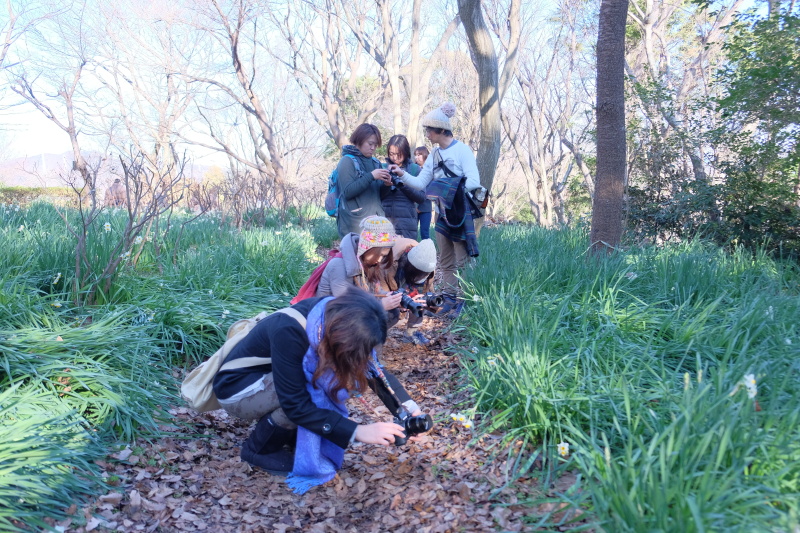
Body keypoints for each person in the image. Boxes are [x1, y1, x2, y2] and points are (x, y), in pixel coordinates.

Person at [212, 288, 425, 489]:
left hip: (269, 380)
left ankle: (287, 436)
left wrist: (406, 408)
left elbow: (371, 366)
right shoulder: (289, 330)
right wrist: (357, 432)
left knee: (327, 381)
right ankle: (258, 450)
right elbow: (295, 404)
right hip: (238, 389)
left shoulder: (334, 316)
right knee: (313, 390)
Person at [401, 103, 482, 319]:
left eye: (429, 129)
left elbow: (474, 181)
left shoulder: (462, 150)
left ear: (440, 130)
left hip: (460, 212)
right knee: (445, 259)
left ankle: (464, 301)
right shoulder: (435, 154)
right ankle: (448, 299)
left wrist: (448, 189)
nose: (427, 134)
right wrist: (399, 174)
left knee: (462, 260)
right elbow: (420, 183)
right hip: (442, 214)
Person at [316, 216, 403, 312]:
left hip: (350, 313)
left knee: (392, 312)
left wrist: (394, 299)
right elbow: (344, 307)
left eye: (384, 256)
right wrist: (381, 305)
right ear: (367, 248)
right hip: (330, 315)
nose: (380, 260)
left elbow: (374, 292)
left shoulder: (367, 262)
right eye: (379, 255)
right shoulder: (339, 266)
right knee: (383, 313)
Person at [335, 123, 393, 238]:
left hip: (377, 222)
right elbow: (347, 192)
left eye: (376, 145)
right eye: (370, 144)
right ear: (359, 140)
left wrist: (387, 185)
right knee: (355, 256)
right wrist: (371, 176)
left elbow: (378, 196)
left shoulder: (376, 163)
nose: (373, 148)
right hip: (355, 225)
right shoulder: (347, 161)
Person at [383, 237, 437, 345]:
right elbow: (382, 291)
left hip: (411, 269)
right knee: (389, 307)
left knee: (420, 299)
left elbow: (427, 293)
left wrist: (430, 304)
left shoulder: (429, 265)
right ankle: (377, 333)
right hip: (398, 270)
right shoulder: (390, 261)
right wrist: (397, 302)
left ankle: (412, 333)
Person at [380, 135, 426, 239]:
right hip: (384, 221)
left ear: (406, 152)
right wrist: (386, 185)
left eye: (398, 154)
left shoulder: (415, 169)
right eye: (391, 154)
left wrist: (403, 183)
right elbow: (375, 195)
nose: (395, 158)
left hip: (407, 224)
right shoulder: (381, 168)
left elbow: (421, 198)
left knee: (405, 253)